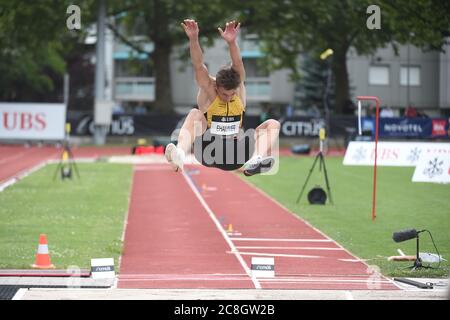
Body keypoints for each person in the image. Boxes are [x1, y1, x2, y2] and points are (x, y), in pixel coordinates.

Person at [165, 19, 280, 176]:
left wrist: (232, 43)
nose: (228, 97)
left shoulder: (238, 89)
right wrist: (193, 39)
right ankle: (180, 154)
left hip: (236, 153)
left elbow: (238, 63)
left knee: (273, 124)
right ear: (216, 86)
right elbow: (198, 65)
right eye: (224, 94)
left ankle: (255, 160)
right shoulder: (209, 88)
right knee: (195, 114)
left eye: (231, 94)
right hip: (209, 151)